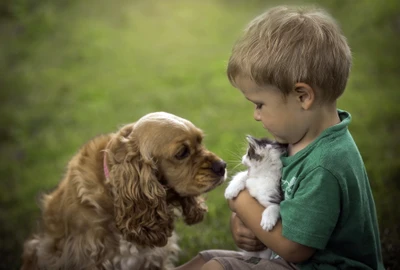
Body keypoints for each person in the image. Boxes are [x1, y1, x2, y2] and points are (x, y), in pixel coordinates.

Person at [175, 5, 385, 270]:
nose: (256, 115)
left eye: (260, 104)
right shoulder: (295, 142)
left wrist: (239, 201)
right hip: (285, 261)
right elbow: (268, 204)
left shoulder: (326, 163)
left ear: (303, 97)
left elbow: (293, 248)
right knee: (203, 260)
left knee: (216, 267)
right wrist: (243, 223)